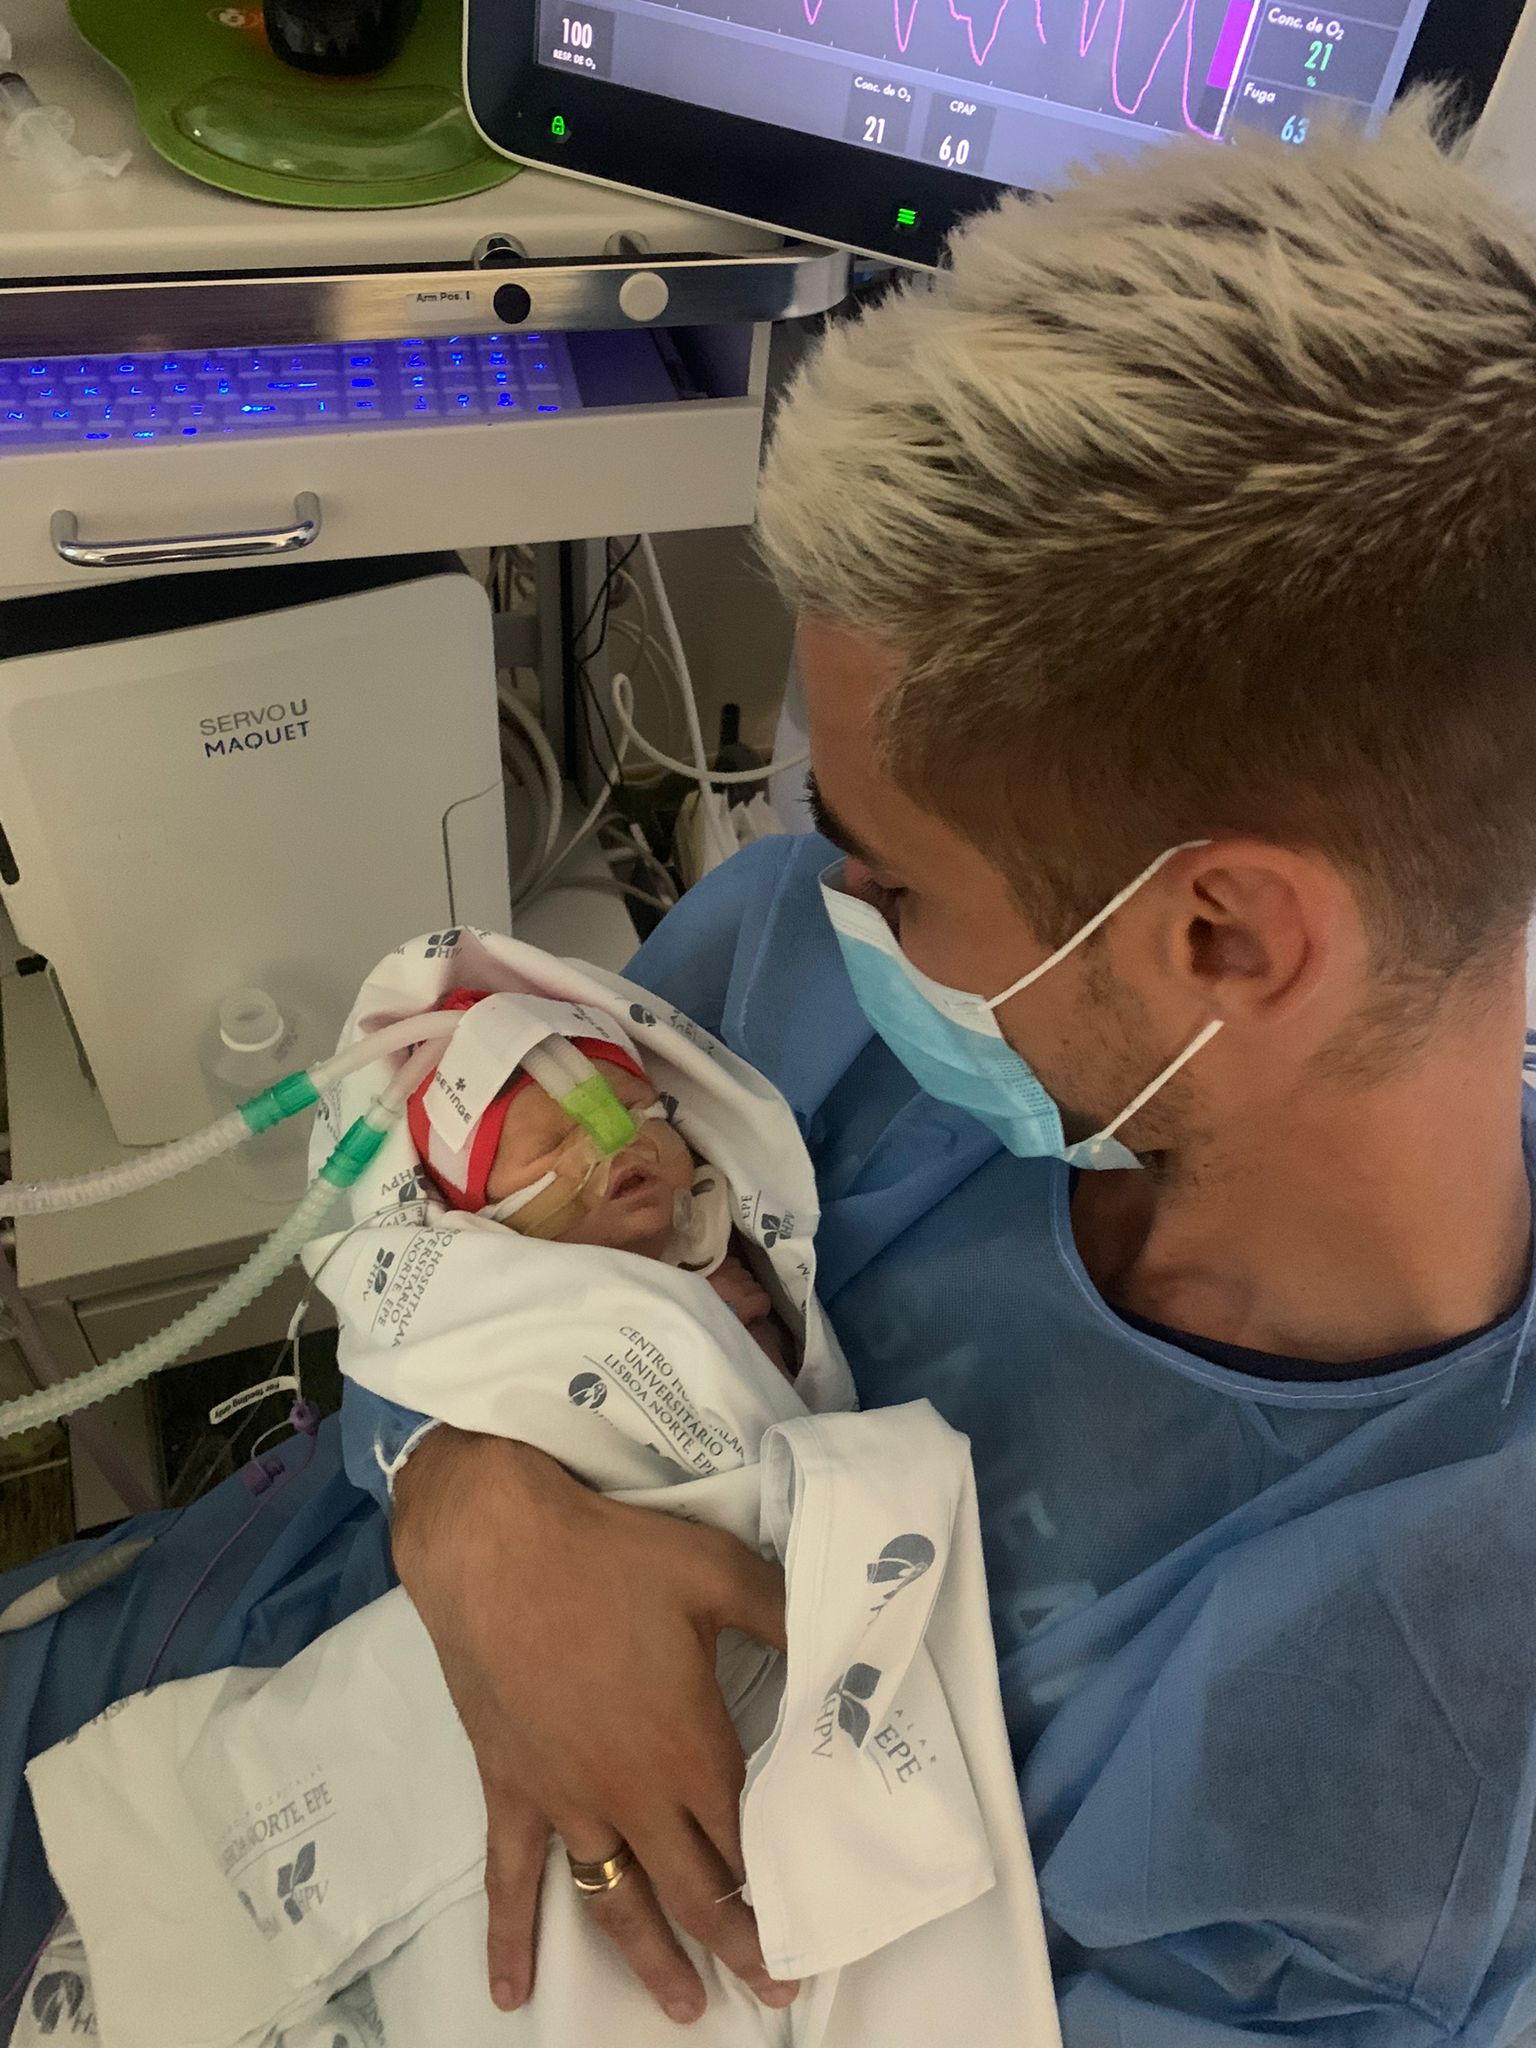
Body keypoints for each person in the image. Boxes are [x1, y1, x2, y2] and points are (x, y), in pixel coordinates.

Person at [6, 93, 1536, 2048]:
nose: (829, 903)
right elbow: (434, 1262)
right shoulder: (805, 976)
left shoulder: (1408, 1723)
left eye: (897, 874)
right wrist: (461, 1496)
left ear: (1224, 937)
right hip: (143, 1710)